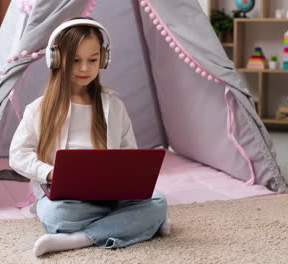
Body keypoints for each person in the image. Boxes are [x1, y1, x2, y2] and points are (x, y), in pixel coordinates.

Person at [9, 17, 170, 257]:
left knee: (158, 201)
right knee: (57, 215)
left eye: (93, 60)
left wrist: (127, 177)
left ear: (103, 59)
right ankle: (138, 224)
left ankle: (79, 238)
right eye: (75, 61)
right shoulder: (39, 109)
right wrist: (51, 172)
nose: (84, 68)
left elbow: (129, 152)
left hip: (112, 194)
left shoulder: (113, 105)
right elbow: (17, 155)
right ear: (57, 59)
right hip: (67, 200)